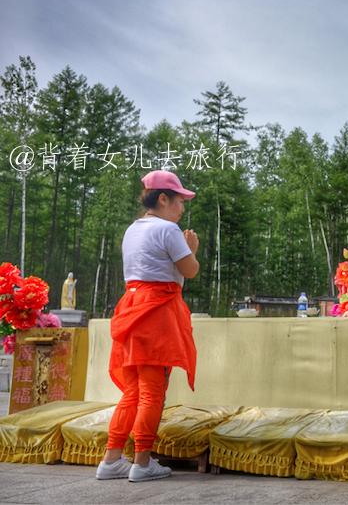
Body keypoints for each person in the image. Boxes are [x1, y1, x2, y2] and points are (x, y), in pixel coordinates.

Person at [95, 170, 199, 482]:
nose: (181, 208)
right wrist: (192, 248)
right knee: (153, 391)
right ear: (163, 199)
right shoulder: (169, 229)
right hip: (156, 312)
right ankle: (142, 461)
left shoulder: (132, 229)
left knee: (133, 390)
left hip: (132, 307)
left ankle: (112, 459)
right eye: (179, 201)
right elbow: (189, 270)